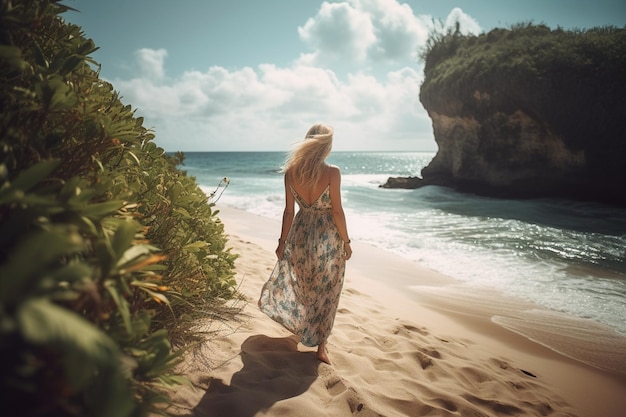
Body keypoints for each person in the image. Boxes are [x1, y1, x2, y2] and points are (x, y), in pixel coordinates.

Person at [258, 123, 352, 365]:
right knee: (328, 292)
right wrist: (347, 241)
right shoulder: (332, 172)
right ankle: (321, 346)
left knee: (306, 286)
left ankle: (305, 331)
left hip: (299, 236)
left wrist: (282, 242)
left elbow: (288, 212)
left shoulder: (291, 172)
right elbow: (338, 212)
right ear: (326, 146)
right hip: (327, 239)